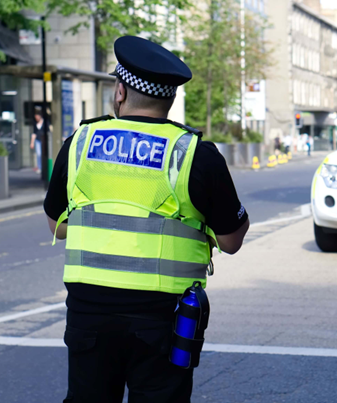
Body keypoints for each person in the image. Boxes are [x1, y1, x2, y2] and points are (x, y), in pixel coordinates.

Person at [43, 36, 250, 403]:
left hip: (88, 314)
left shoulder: (79, 142)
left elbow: (56, 224)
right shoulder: (194, 154)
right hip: (163, 320)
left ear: (120, 92)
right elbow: (232, 241)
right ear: (169, 99)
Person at [30, 108, 46, 173]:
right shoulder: (35, 124)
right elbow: (34, 133)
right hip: (38, 140)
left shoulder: (45, 122)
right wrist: (32, 142)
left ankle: (44, 166)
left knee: (43, 154)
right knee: (39, 154)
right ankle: (39, 167)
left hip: (43, 140)